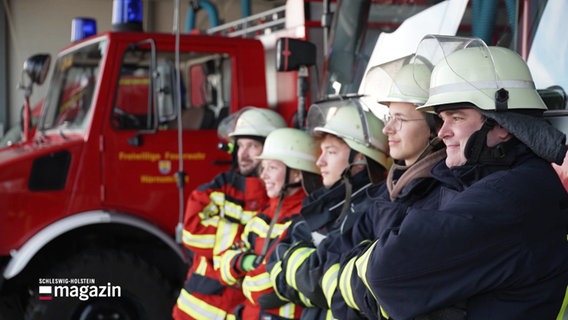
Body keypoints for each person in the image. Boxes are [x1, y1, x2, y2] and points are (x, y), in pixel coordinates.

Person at [356, 35, 568, 319]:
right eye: (442, 119)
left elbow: (386, 273)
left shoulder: (510, 198)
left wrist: (359, 266)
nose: (442, 132)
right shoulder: (490, 182)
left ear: (503, 126)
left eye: (456, 118)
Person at [302, 56, 444, 320]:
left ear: (435, 128)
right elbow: (330, 257)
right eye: (389, 116)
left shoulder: (444, 196)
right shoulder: (384, 195)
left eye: (400, 118)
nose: (388, 128)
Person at [268, 101, 391, 320]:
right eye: (321, 152)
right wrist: (313, 280)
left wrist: (302, 276)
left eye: (331, 152)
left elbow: (325, 283)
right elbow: (276, 258)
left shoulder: (376, 210)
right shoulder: (324, 204)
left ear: (360, 157)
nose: (320, 161)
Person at [172, 107, 287, 320]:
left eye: (253, 145)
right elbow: (192, 233)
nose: (243, 154)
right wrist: (249, 242)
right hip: (195, 312)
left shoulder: (283, 196)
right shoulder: (218, 190)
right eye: (240, 145)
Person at [217, 127, 321, 320]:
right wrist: (245, 262)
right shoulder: (263, 217)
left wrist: (244, 274)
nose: (263, 175)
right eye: (263, 168)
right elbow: (223, 267)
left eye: (272, 168)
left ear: (297, 174)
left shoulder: (305, 222)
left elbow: (263, 291)